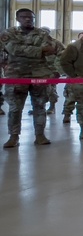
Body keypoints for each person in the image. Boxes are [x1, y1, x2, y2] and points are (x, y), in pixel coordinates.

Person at [1, 8, 64, 148]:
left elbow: (53, 48)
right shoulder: (9, 33)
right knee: (15, 108)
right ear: (18, 19)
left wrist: (22, 50)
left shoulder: (42, 33)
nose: (28, 19)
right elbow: (12, 49)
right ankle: (14, 136)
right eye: (24, 17)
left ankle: (40, 135)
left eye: (31, 17)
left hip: (39, 75)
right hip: (16, 76)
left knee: (40, 106)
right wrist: (40, 51)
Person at [62, 32, 83, 124]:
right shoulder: (72, 49)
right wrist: (73, 75)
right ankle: (67, 114)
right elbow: (65, 62)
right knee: (70, 98)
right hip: (74, 78)